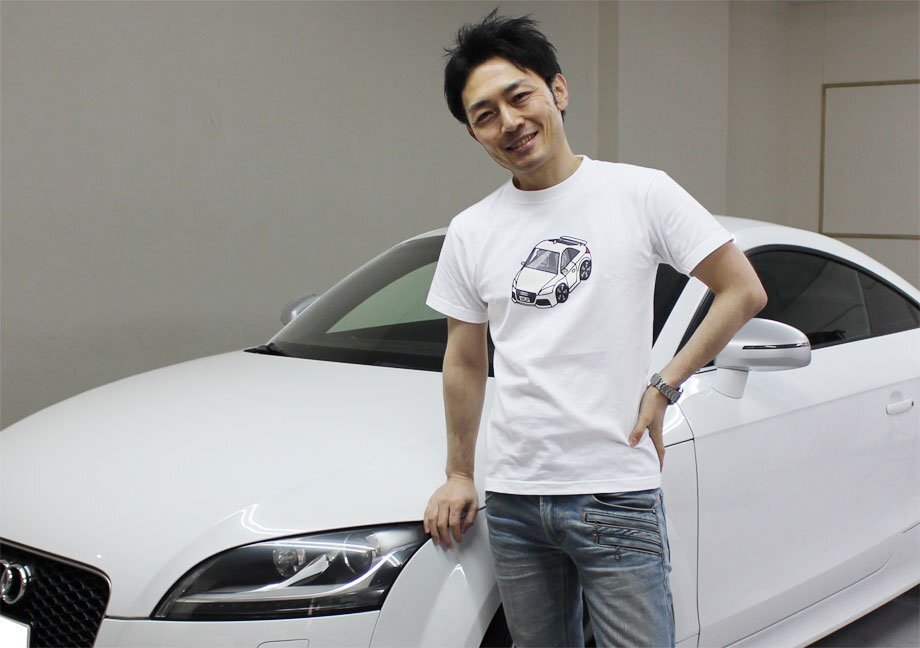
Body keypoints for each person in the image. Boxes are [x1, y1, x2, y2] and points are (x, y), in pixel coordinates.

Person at [422, 10, 767, 648]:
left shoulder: (640, 193)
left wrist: (665, 384)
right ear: (474, 133)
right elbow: (466, 361)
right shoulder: (471, 230)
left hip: (615, 490)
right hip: (516, 497)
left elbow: (742, 289)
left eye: (519, 96)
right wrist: (460, 472)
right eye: (485, 115)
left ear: (557, 90)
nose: (509, 122)